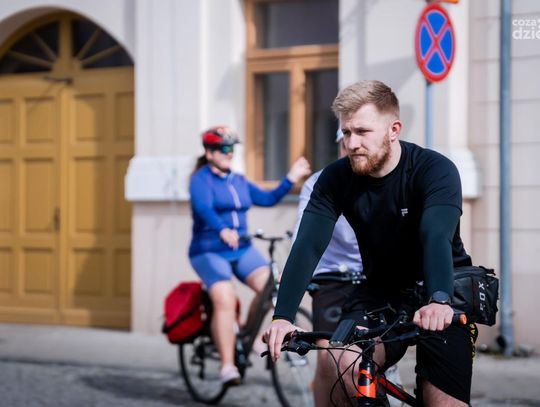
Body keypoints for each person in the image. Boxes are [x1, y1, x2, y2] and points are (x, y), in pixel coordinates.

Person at [264, 80, 476, 406]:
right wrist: (283, 316)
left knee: (441, 402)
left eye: (362, 132)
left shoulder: (434, 170)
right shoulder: (335, 179)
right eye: (346, 133)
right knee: (344, 365)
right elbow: (307, 246)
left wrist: (438, 299)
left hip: (444, 289)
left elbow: (435, 235)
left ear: (393, 130)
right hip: (382, 292)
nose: (352, 143)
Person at [189, 125, 311, 386]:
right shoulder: (201, 179)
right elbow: (203, 208)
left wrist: (290, 178)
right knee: (225, 299)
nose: (229, 153)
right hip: (209, 250)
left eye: (232, 148)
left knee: (270, 286)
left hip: (241, 249)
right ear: (209, 153)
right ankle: (227, 366)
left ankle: (246, 334)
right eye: (223, 148)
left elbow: (267, 199)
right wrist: (222, 229)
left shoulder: (238, 180)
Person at [295, 129, 401, 407]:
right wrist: (296, 271)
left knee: (375, 349)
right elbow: (304, 236)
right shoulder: (322, 181)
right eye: (345, 142)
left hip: (375, 276)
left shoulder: (388, 178)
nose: (353, 148)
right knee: (328, 356)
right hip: (334, 277)